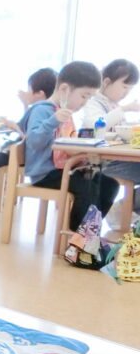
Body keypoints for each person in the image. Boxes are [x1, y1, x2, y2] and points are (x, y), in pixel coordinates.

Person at [25, 61, 119, 231]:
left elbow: (67, 139)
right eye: (84, 96)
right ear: (64, 90)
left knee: (110, 184)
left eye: (89, 98)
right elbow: (33, 142)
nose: (85, 102)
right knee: (86, 185)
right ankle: (80, 239)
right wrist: (53, 121)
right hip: (45, 173)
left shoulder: (65, 111)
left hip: (65, 169)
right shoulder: (43, 110)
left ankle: (87, 235)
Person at [0, 67, 57, 211]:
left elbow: (27, 135)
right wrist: (25, 106)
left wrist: (13, 126)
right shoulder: (49, 109)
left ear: (40, 94)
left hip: (24, 154)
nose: (27, 92)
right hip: (31, 154)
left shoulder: (40, 109)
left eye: (30, 89)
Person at [79, 59, 140, 212]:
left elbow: (119, 130)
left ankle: (126, 208)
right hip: (99, 163)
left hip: (116, 159)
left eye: (130, 89)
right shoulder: (93, 101)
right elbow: (95, 126)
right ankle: (124, 209)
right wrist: (123, 110)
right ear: (106, 82)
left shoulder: (113, 104)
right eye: (124, 87)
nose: (126, 93)